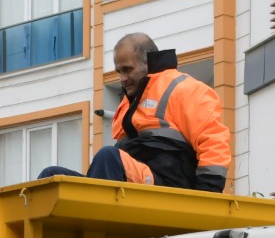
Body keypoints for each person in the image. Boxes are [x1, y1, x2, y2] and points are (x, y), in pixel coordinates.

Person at [41, 33, 230, 193]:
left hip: (170, 186)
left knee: (108, 156)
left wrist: (206, 197)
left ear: (149, 62)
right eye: (118, 71)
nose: (122, 78)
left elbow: (213, 142)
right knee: (51, 177)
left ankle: (95, 233)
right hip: (138, 180)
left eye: (127, 70)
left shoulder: (186, 89)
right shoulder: (129, 102)